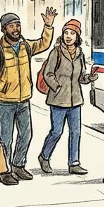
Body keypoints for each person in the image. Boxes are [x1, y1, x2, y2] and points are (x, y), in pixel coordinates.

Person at [0, 9, 56, 185]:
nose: (16, 29)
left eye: (17, 25)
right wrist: (1, 86)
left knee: (26, 134)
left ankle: (18, 165)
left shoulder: (25, 46)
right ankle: (5, 170)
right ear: (4, 29)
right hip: (5, 103)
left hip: (24, 100)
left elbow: (43, 44)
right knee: (6, 138)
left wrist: (48, 26)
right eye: (12, 26)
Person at [38, 19, 99, 176]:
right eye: (66, 33)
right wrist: (57, 87)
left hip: (75, 100)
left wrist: (89, 78)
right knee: (57, 132)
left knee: (76, 132)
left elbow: (80, 77)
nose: (68, 36)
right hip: (58, 100)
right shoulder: (56, 52)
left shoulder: (79, 54)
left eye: (72, 33)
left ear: (77, 36)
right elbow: (47, 74)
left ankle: (74, 163)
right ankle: (44, 156)